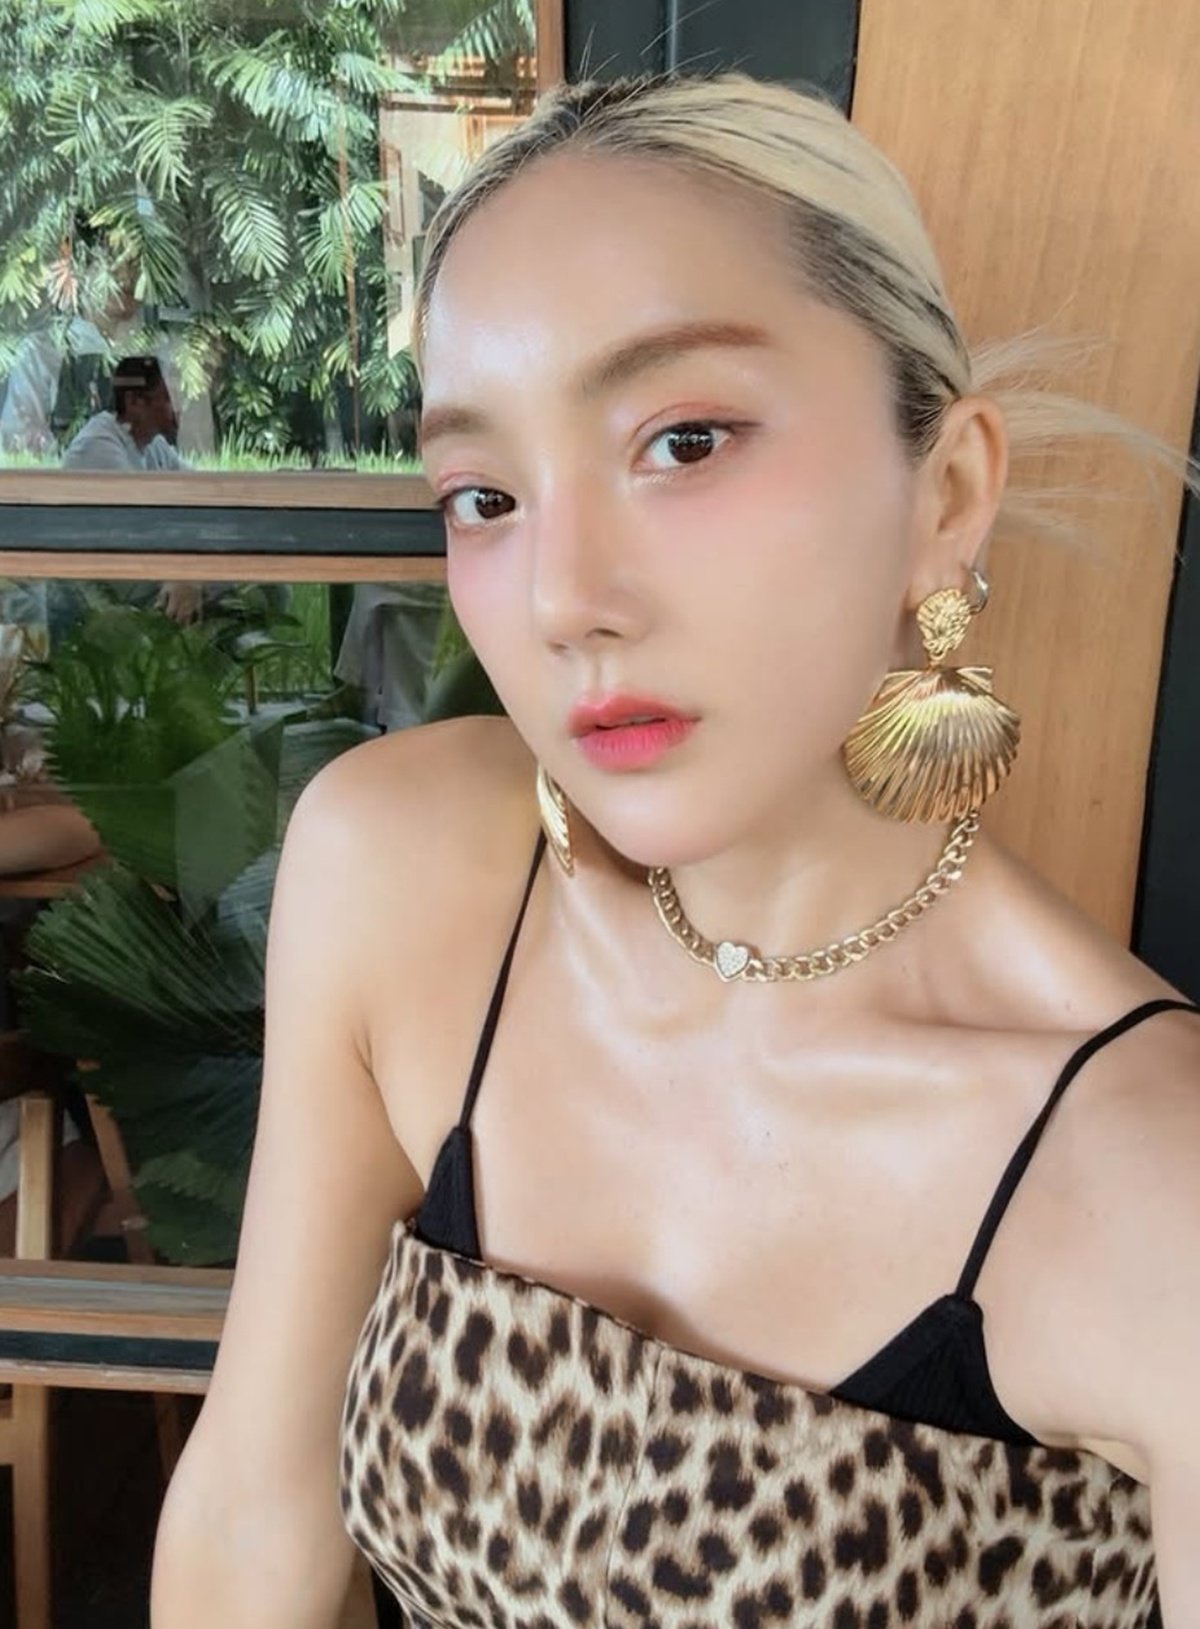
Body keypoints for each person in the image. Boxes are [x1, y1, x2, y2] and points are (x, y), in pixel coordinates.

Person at [151, 74, 1200, 1627]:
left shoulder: (1151, 1187)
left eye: (684, 440)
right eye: (484, 496)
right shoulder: (406, 878)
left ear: (948, 493)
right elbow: (253, 1521)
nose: (564, 597)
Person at [62, 355, 220, 624]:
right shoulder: (98, 446)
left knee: (256, 580)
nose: (178, 407)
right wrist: (186, 571)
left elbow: (199, 490)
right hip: (110, 575)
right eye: (167, 398)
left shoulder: (151, 444)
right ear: (134, 402)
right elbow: (137, 529)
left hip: (142, 563)